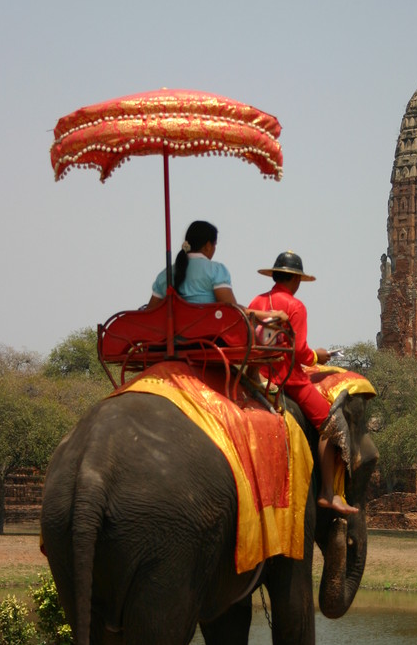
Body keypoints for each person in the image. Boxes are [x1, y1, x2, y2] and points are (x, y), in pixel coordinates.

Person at [249, 251, 358, 517]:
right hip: (288, 378)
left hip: (255, 373)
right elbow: (299, 352)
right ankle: (328, 494)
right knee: (334, 424)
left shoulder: (257, 300)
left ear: (275, 276)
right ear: (296, 281)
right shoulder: (295, 307)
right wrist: (317, 356)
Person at [147, 220, 287, 324]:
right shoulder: (216, 270)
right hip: (208, 336)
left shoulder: (165, 275)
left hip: (174, 339)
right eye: (215, 245)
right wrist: (269, 315)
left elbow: (149, 312)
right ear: (208, 246)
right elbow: (233, 310)